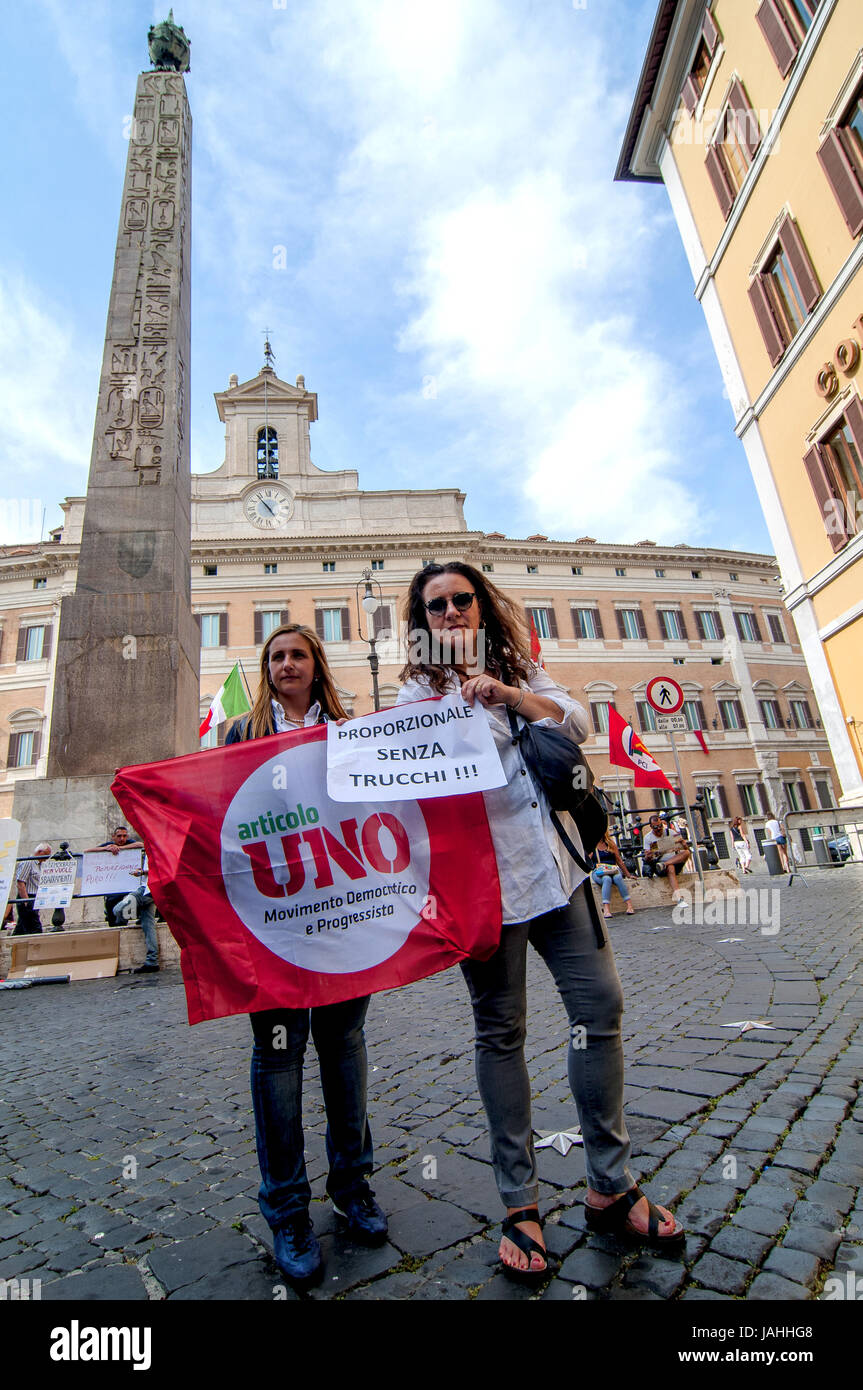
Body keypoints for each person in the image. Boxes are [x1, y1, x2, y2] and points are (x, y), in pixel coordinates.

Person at [397, 562, 684, 1281]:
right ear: (422, 621)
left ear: (481, 606)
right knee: (501, 1033)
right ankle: (518, 1204)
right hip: (486, 887)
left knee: (601, 1008)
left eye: (462, 599)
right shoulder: (415, 693)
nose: (452, 612)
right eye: (437, 606)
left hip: (560, 869)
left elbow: (576, 720)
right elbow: (417, 780)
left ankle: (608, 1184)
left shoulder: (521, 665)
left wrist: (505, 693)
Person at [225, 623, 387, 1285]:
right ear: (267, 669)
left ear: (315, 665)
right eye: (276, 656)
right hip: (276, 925)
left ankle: (352, 1187)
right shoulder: (239, 735)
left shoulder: (349, 731)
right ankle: (288, 1209)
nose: (286, 663)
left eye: (297, 654)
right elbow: (224, 817)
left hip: (342, 917)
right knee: (280, 1060)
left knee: (344, 1049)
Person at [84, 825, 144, 926]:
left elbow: (141, 845)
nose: (122, 838)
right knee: (111, 902)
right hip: (113, 884)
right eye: (119, 836)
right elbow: (87, 851)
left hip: (128, 883)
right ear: (113, 837)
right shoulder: (109, 844)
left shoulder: (129, 843)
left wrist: (120, 848)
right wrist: (106, 849)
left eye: (124, 836)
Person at [113, 859, 160, 974]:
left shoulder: (154, 843)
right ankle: (152, 962)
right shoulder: (154, 843)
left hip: (147, 888)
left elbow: (159, 867)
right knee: (148, 924)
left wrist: (142, 872)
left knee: (117, 910)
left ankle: (122, 922)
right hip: (152, 889)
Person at [642, 813, 691, 894]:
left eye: (660, 826)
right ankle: (679, 896)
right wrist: (648, 856)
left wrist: (684, 844)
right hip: (659, 866)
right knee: (670, 867)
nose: (659, 829)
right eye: (655, 827)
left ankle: (665, 864)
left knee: (686, 852)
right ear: (651, 827)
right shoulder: (648, 838)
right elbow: (647, 859)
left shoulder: (670, 832)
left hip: (675, 862)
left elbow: (686, 850)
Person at [591, 831, 636, 919]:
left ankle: (629, 905)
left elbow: (619, 860)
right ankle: (606, 908)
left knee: (618, 877)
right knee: (606, 879)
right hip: (599, 872)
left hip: (612, 870)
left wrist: (628, 874)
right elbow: (587, 861)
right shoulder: (591, 845)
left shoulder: (610, 844)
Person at [13, 844, 52, 935]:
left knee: (22, 927)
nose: (47, 858)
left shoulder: (41, 865)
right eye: (46, 854)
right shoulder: (28, 862)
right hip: (27, 896)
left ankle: (13, 945)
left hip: (35, 897)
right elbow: (20, 882)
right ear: (39, 852)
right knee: (34, 927)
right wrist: (26, 901)